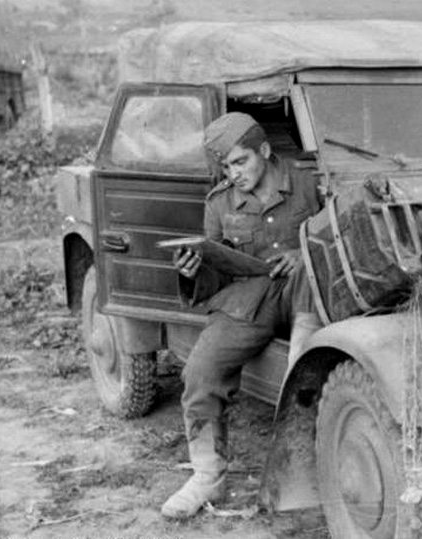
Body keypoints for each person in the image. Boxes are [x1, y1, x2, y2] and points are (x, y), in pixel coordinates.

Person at [161, 112, 322, 519]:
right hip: (249, 297)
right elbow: (216, 270)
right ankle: (207, 474)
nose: (233, 174)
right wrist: (194, 269)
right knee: (200, 371)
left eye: (240, 162)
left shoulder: (308, 182)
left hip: (305, 290)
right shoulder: (219, 203)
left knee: (306, 308)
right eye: (227, 167)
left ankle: (305, 435)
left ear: (264, 152)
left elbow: (336, 233)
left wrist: (303, 253)